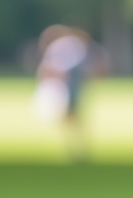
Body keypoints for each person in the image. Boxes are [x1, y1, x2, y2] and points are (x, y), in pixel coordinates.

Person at [33, 24, 109, 156]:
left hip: (67, 89)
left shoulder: (66, 46)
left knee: (72, 120)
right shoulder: (71, 46)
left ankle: (76, 148)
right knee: (72, 120)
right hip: (67, 89)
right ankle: (77, 148)